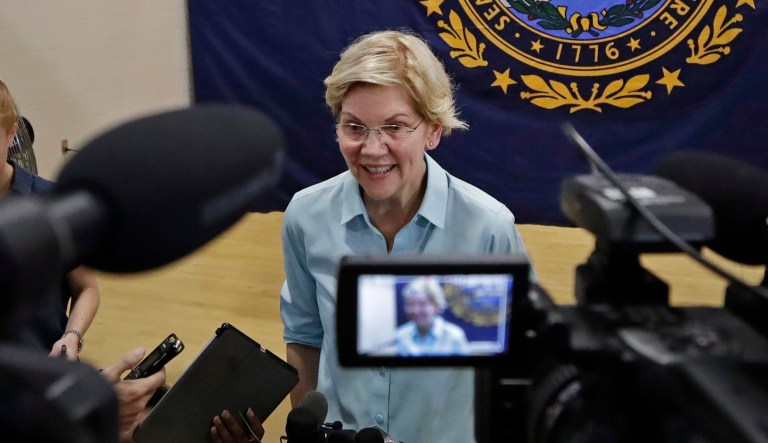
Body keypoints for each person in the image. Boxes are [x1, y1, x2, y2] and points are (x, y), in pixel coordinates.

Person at [277, 29, 536, 443]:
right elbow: (305, 336)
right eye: (354, 127)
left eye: (395, 127)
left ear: (433, 130)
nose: (373, 149)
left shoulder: (488, 228)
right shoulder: (306, 216)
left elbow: (520, 365)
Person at [0, 78, 101, 360]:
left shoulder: (52, 202)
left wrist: (72, 337)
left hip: (46, 370)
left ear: (11, 135)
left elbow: (87, 288)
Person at [395, 276, 469, 356]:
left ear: (437, 306)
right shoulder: (400, 335)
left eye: (422, 304)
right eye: (410, 304)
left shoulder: (454, 336)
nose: (415, 311)